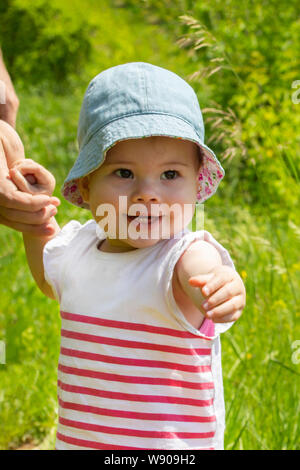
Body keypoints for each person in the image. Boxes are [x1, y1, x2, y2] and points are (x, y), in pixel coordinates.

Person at [9, 62, 246, 450]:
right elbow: (48, 280)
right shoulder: (76, 249)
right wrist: (36, 218)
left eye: (170, 175)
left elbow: (204, 275)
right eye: (124, 173)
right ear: (85, 186)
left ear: (195, 184)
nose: (147, 193)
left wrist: (224, 287)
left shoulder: (183, 256)